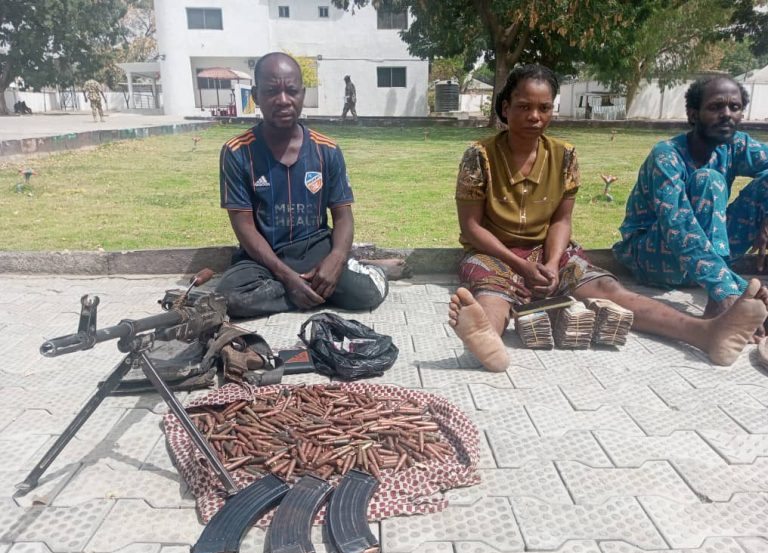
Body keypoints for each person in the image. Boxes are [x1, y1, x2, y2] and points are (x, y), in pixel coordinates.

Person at [448, 64, 767, 372]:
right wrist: (520, 266)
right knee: (494, 293)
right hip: (495, 253)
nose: (534, 116)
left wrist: (553, 262)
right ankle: (486, 339)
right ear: (505, 108)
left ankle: (705, 334)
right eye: (523, 107)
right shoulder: (479, 156)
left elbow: (561, 221)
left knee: (610, 290)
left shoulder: (564, 155)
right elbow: (471, 227)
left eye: (544, 108)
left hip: (548, 253)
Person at [215, 52, 389, 318]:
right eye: (272, 91)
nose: (283, 100)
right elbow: (244, 227)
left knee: (367, 292)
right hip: (263, 258)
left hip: (315, 250)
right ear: (256, 96)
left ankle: (374, 270)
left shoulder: (327, 150)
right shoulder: (237, 152)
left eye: (292, 91)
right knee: (230, 298)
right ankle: (312, 291)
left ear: (302, 94)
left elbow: (343, 217)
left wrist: (336, 259)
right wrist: (287, 277)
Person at [613, 74, 768, 321]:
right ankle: (722, 293)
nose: (727, 114)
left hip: (707, 252)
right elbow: (676, 224)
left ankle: (721, 283)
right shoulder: (666, 156)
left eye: (735, 107)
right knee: (709, 180)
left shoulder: (736, 145)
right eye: (716, 107)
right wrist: (726, 288)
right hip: (655, 255)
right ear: (693, 115)